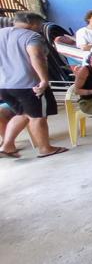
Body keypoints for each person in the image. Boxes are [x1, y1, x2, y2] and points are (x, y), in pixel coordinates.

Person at [0, 12, 67, 159]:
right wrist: (43, 80)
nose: (40, 27)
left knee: (23, 114)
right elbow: (36, 56)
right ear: (33, 23)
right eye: (40, 25)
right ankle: (45, 148)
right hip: (29, 85)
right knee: (38, 117)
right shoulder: (31, 36)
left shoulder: (1, 34)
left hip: (5, 85)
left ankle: (7, 146)